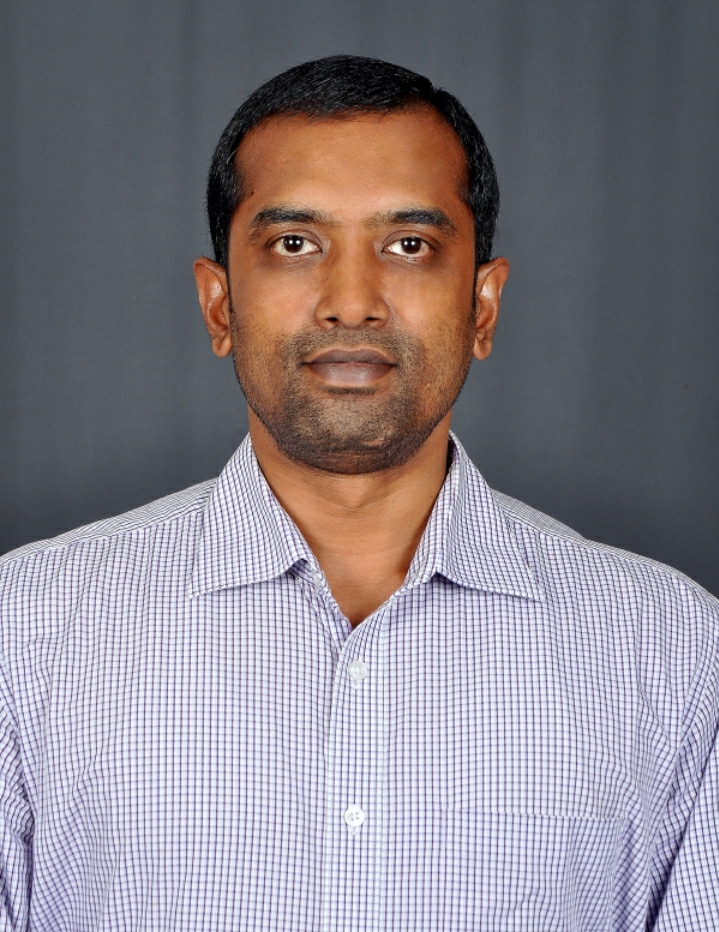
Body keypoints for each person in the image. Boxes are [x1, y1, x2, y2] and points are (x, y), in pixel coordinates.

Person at [0, 55, 717, 932]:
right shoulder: (24, 635)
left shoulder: (674, 654)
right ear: (219, 306)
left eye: (408, 245)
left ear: (482, 307)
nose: (350, 303)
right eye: (294, 244)